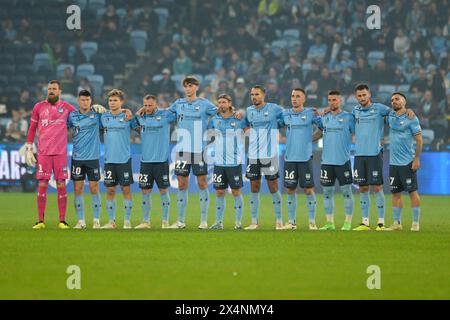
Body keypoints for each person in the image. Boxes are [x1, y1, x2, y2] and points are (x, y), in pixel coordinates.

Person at [351, 84, 414, 231]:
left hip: (374, 154)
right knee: (363, 188)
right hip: (359, 154)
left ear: (369, 95)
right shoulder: (355, 111)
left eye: (364, 95)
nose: (361, 98)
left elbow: (398, 111)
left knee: (377, 187)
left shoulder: (380, 109)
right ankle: (365, 222)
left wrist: (408, 110)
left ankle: (380, 222)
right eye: (359, 96)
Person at [22, 80, 76, 229]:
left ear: (60, 91)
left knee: (61, 185)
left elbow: (80, 118)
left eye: (54, 89)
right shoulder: (38, 107)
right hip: (43, 153)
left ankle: (62, 221)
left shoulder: (67, 108)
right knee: (42, 184)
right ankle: (40, 221)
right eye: (49, 88)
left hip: (60, 153)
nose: (51, 91)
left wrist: (92, 111)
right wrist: (28, 146)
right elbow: (32, 128)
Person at [167, 76, 217, 229]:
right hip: (182, 151)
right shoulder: (178, 104)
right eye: (186, 86)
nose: (188, 88)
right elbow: (164, 115)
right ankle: (181, 221)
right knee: (182, 184)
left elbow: (221, 112)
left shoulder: (204, 104)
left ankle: (203, 221)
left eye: (190, 86)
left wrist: (235, 114)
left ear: (196, 87)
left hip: (199, 151)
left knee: (202, 183)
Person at [278, 88, 321, 230]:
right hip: (290, 157)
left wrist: (311, 139)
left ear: (304, 99)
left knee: (308, 190)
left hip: (304, 157)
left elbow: (322, 127)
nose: (294, 99)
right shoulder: (285, 114)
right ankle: (291, 222)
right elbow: (274, 124)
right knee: (290, 190)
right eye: (292, 96)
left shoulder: (311, 113)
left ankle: (312, 222)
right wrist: (280, 138)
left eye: (297, 96)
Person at [244, 85, 284, 230]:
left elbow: (288, 116)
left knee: (273, 186)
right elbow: (243, 125)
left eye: (257, 94)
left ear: (264, 95)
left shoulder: (274, 109)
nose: (254, 97)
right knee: (254, 187)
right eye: (252, 94)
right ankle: (254, 222)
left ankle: (279, 221)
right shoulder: (249, 111)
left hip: (270, 154)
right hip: (253, 155)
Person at [134, 95, 176, 229]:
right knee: (145, 191)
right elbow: (130, 122)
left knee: (163, 191)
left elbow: (178, 112)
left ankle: (165, 222)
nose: (147, 108)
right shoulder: (140, 117)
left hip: (161, 161)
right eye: (145, 105)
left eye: (150, 105)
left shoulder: (165, 115)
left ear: (155, 104)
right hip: (145, 161)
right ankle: (146, 222)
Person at [316, 91, 355, 231]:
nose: (332, 102)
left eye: (334, 100)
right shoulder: (324, 118)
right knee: (327, 192)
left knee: (347, 192)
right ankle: (329, 223)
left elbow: (358, 133)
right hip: (326, 161)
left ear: (341, 101)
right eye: (329, 100)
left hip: (343, 160)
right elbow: (319, 133)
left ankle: (347, 222)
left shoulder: (349, 118)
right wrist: (306, 141)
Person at [100, 89, 139, 229]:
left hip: (124, 159)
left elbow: (139, 128)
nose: (112, 103)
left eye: (115, 100)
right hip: (109, 160)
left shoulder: (127, 117)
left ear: (121, 102)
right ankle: (111, 222)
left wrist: (130, 113)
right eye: (110, 100)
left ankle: (127, 221)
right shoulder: (104, 117)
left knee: (125, 189)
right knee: (110, 190)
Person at [207, 94, 246, 230]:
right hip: (218, 163)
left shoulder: (238, 119)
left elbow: (249, 128)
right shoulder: (214, 119)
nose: (221, 105)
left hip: (234, 162)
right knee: (219, 193)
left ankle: (238, 223)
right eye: (219, 102)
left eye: (224, 102)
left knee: (236, 192)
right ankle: (218, 222)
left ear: (230, 104)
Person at [387, 93, 423, 231]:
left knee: (412, 192)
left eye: (397, 99)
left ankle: (415, 223)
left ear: (404, 101)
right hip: (393, 163)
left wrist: (417, 158)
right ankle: (397, 223)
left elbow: (419, 140)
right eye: (392, 100)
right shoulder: (390, 116)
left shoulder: (411, 118)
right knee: (395, 193)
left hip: (407, 162)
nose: (394, 101)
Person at [68, 90, 103, 229]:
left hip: (93, 157)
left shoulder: (97, 115)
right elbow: (62, 126)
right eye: (83, 100)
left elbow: (112, 117)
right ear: (78, 101)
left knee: (94, 188)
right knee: (78, 188)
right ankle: (81, 221)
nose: (85, 102)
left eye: (87, 100)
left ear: (90, 101)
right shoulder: (72, 116)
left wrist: (106, 110)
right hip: (77, 158)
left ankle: (96, 220)